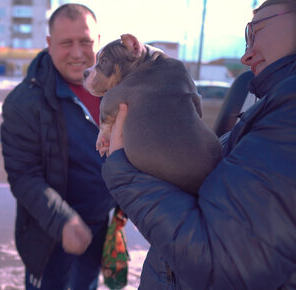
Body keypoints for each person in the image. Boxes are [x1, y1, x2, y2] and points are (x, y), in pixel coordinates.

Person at [101, 0, 296, 288]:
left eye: (256, 31)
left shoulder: (287, 110)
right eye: (245, 36)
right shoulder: (262, 97)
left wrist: (123, 173)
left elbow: (221, 263)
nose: (246, 55)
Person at [1, 3, 117, 289]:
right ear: (50, 44)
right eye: (66, 43)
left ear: (99, 42)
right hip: (50, 234)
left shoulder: (116, 91)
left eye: (85, 42)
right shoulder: (25, 102)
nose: (77, 53)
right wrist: (64, 221)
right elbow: (24, 175)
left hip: (99, 228)